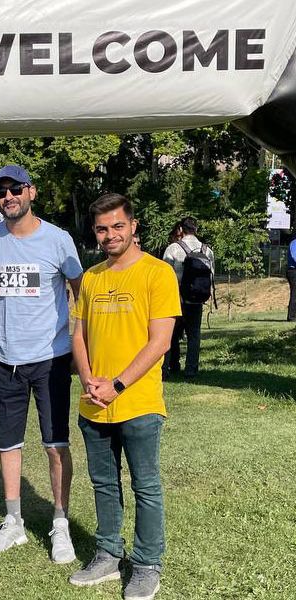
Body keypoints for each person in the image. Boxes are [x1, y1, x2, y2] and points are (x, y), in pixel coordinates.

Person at [69, 193, 180, 600]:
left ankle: (147, 565)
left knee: (145, 486)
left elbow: (160, 341)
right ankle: (108, 554)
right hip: (94, 403)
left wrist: (116, 385)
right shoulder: (92, 277)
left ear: (133, 226)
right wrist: (89, 381)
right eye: (102, 228)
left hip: (138, 403)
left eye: (118, 226)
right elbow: (78, 335)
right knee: (103, 483)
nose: (110, 234)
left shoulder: (158, 273)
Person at [0, 165, 83, 563]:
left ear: (31, 192)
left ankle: (61, 523)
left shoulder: (58, 239)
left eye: (15, 189)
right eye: (1, 191)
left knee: (56, 445)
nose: (8, 197)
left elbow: (81, 292)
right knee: (8, 444)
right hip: (4, 359)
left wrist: (81, 346)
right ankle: (14, 522)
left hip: (50, 359)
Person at [162, 216, 214, 378]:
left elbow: (164, 276)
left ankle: (168, 368)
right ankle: (191, 370)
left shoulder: (173, 248)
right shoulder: (207, 250)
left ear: (180, 229)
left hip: (176, 299)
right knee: (194, 335)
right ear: (196, 229)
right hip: (197, 299)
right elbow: (211, 275)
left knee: (170, 334)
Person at [286, 233, 296, 321]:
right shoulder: (294, 243)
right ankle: (292, 316)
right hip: (293, 271)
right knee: (294, 293)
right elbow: (294, 256)